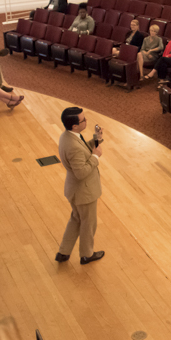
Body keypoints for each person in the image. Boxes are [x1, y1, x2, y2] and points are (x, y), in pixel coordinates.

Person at [54, 107, 105, 265]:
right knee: (88, 224)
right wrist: (96, 157)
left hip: (74, 190)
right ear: (75, 126)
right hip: (84, 192)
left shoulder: (67, 136)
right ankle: (86, 254)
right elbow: (81, 172)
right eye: (83, 120)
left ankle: (64, 252)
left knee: (76, 219)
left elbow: (83, 151)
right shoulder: (74, 146)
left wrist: (96, 139)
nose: (86, 121)